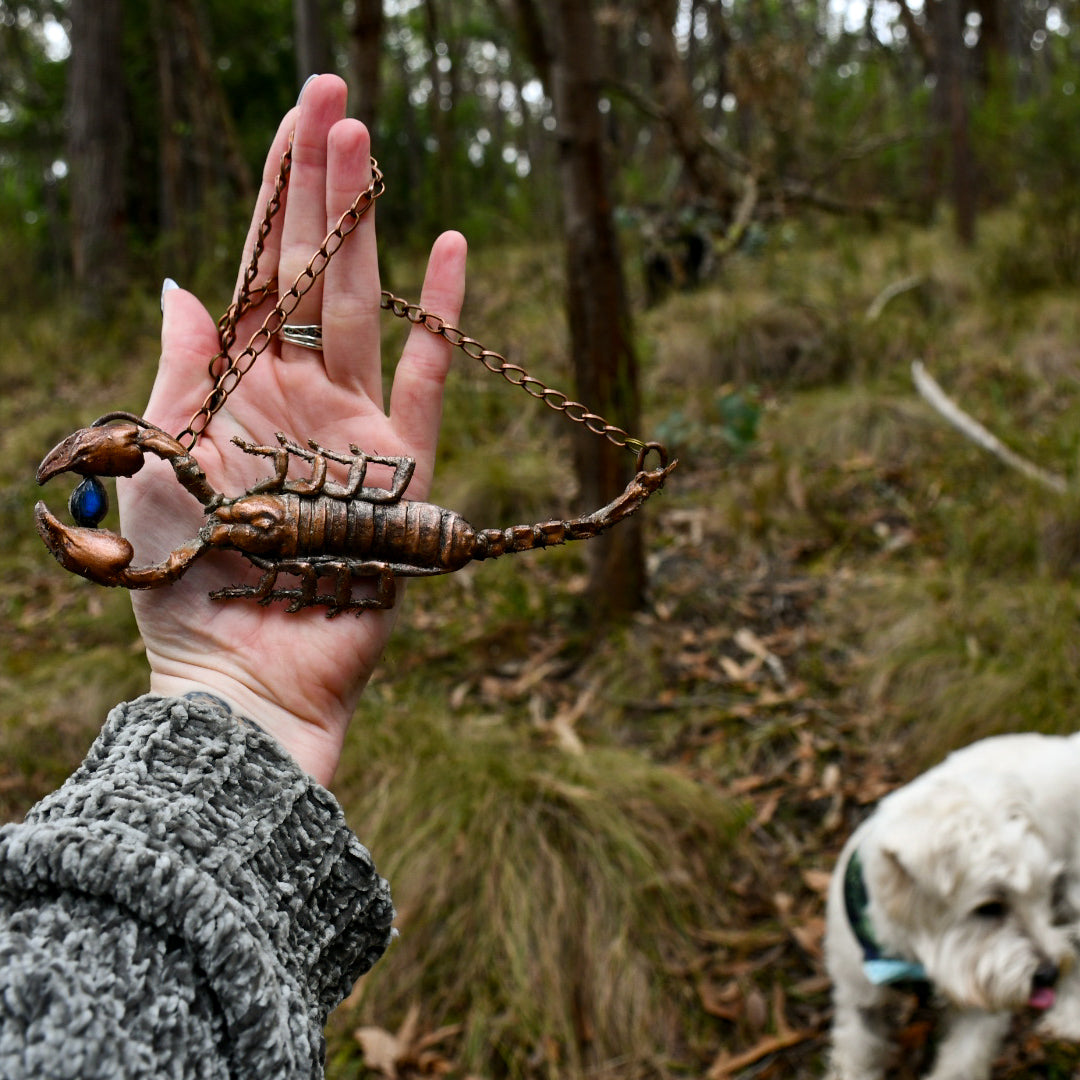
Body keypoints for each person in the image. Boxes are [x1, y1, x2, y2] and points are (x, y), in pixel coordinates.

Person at [0, 74, 468, 1078]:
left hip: (383, 526)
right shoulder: (225, 537)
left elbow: (301, 527)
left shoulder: (273, 534)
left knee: (302, 547)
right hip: (343, 531)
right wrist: (233, 685)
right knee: (292, 549)